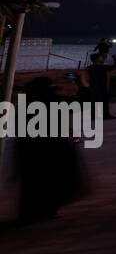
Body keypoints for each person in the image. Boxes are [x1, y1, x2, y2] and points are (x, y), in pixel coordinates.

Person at [13, 77, 84, 223]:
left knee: (32, 183)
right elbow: (83, 102)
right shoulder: (54, 101)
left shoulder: (24, 103)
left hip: (29, 149)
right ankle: (47, 210)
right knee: (51, 179)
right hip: (51, 147)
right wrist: (81, 85)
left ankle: (30, 213)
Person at [86, 53, 116, 120]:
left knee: (97, 102)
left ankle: (95, 116)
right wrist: (114, 58)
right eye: (100, 57)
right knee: (101, 101)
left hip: (95, 87)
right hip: (99, 88)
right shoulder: (102, 67)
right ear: (97, 59)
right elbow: (114, 66)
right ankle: (103, 115)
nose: (102, 58)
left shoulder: (90, 68)